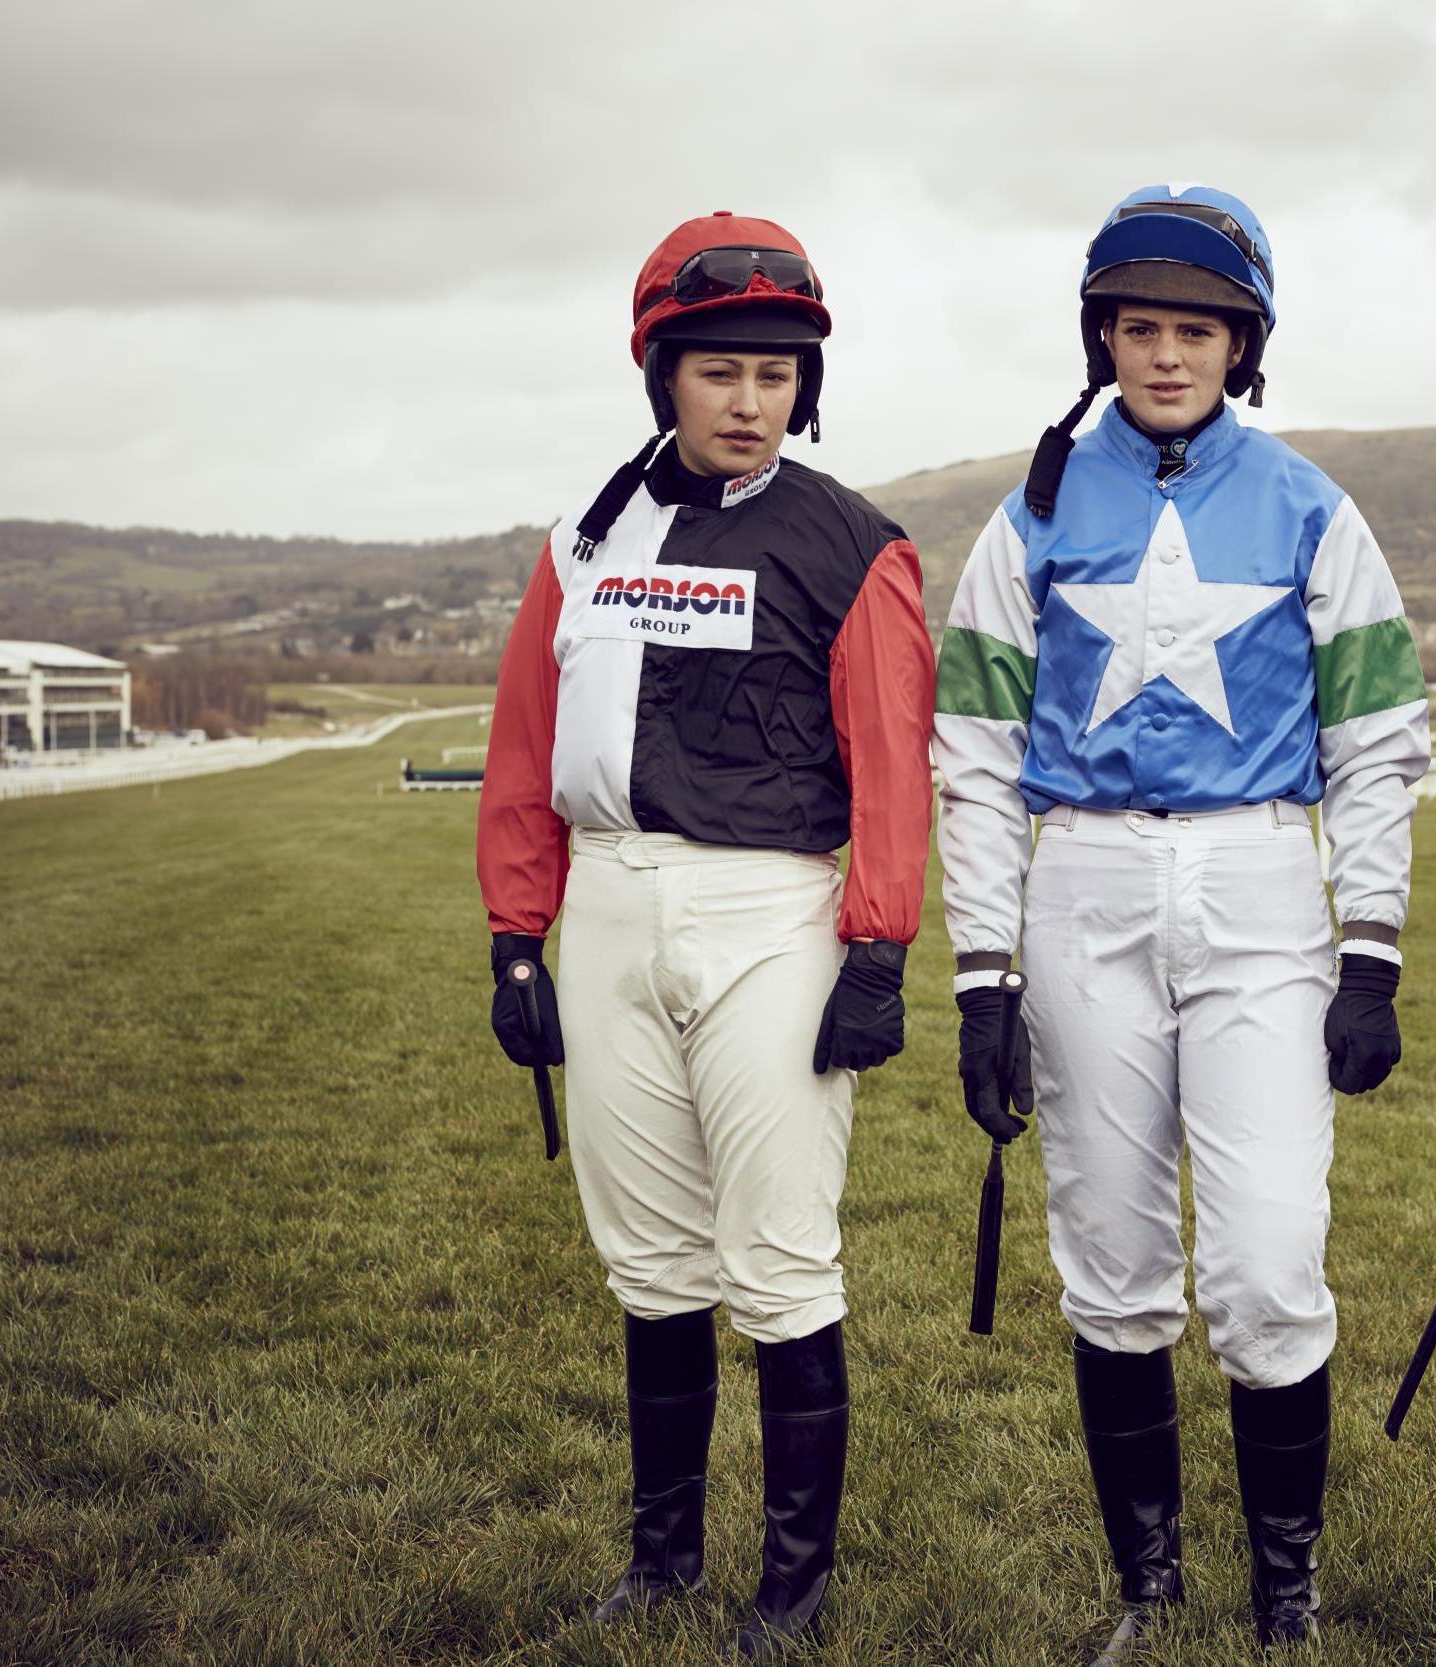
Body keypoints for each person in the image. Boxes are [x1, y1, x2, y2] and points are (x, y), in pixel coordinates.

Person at [934, 184, 1430, 1659]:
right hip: (1079, 885)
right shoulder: (1026, 514)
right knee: (1111, 1255)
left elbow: (1378, 739)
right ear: (1104, 338)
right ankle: (1147, 1593)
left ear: (1242, 343)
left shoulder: (1306, 506)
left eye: (1195, 331)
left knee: (1270, 1262)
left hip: (1259, 885)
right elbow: (968, 752)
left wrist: (1373, 949)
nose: (1165, 357)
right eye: (1139, 329)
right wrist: (979, 974)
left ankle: (1288, 1596)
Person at [475, 212, 935, 1658]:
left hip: (770, 914)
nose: (751, 401)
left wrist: (876, 947)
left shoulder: (857, 546)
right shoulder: (583, 540)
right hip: (610, 907)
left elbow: (890, 763)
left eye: (777, 375)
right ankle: (662, 1558)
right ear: (661, 373)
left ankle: (790, 1594)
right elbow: (524, 748)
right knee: (652, 1259)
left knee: (780, 1258)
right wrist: (513, 937)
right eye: (722, 371)